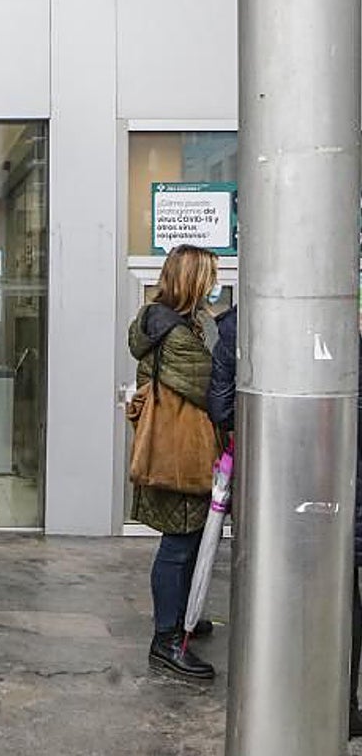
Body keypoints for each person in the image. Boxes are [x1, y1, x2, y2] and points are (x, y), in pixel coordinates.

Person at [209, 306, 362, 736]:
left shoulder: (237, 326)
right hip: (338, 476)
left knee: (274, 580)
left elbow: (220, 406)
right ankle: (337, 701)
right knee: (339, 588)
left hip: (272, 482)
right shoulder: (341, 316)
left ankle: (277, 691)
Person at [127, 244, 220, 681]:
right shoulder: (175, 334)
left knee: (189, 538)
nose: (215, 284)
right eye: (209, 276)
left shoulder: (172, 323)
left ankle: (181, 616)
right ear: (192, 280)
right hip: (180, 454)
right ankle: (165, 640)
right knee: (179, 545)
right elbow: (211, 388)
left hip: (178, 450)